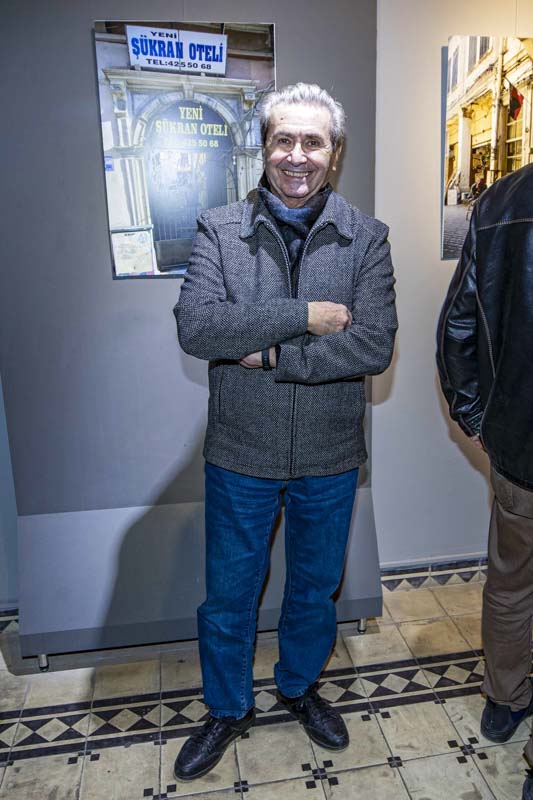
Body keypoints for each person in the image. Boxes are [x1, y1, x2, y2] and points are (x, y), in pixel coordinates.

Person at [173, 82, 397, 781]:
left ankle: (298, 687)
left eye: (313, 142)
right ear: (264, 147)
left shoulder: (367, 237)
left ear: (335, 153)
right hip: (241, 451)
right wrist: (305, 317)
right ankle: (227, 707)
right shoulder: (219, 228)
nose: (297, 155)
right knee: (229, 594)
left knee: (314, 587)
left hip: (330, 454)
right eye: (284, 140)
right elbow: (198, 328)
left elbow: (372, 345)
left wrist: (270, 355)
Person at [437, 162, 533, 800]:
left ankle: (504, 698)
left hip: (520, 445)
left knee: (511, 578)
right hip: (516, 442)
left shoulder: (502, 200)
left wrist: (479, 418)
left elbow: (457, 325)